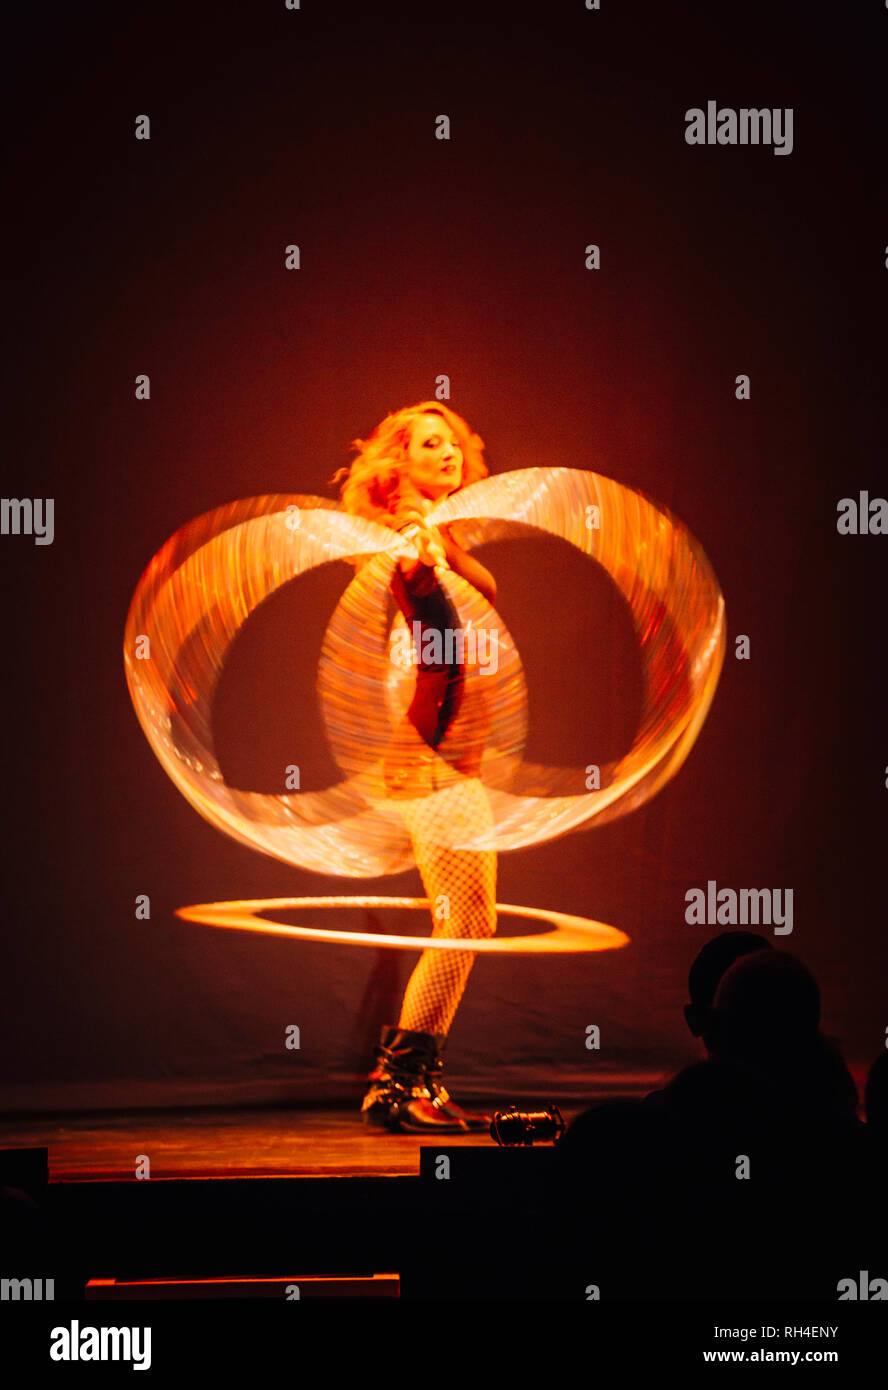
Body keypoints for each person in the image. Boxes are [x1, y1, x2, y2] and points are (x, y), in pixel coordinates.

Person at [330, 401, 500, 1133]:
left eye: (454, 442)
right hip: (434, 753)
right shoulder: (412, 534)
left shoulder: (442, 530)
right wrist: (417, 558)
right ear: (398, 463)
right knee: (463, 919)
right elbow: (428, 611)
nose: (449, 452)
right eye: (430, 443)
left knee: (472, 920)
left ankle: (414, 1079)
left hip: (458, 751)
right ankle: (398, 1086)